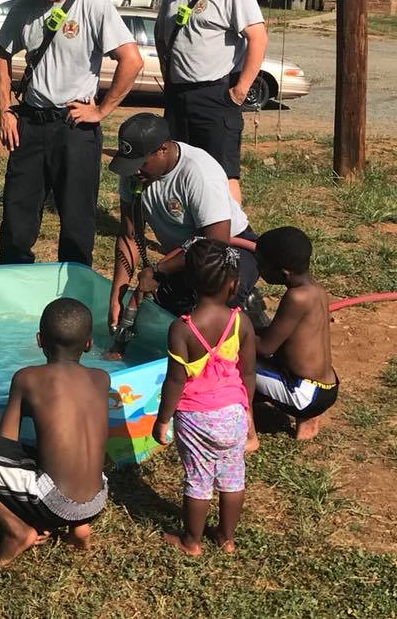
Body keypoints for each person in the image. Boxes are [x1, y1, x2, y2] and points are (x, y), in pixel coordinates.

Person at [0, 0, 143, 266]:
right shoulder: (26, 3)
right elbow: (2, 53)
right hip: (29, 125)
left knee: (77, 218)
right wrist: (5, 110)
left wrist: (101, 110)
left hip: (74, 128)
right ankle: (12, 279)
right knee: (17, 213)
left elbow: (131, 60)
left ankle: (73, 297)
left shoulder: (93, 5)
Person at [0, 298, 109, 567]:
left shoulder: (27, 378)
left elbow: (7, 442)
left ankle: (16, 530)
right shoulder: (101, 378)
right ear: (88, 343)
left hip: (53, 501)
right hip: (97, 498)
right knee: (61, 455)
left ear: (39, 340)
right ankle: (79, 525)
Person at [106, 113, 261, 358]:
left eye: (141, 163)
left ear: (163, 149)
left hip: (230, 250)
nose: (134, 171)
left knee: (205, 313)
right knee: (167, 313)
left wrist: (159, 271)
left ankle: (247, 315)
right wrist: (117, 296)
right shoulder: (135, 172)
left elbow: (216, 245)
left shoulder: (198, 172)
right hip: (182, 257)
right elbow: (128, 235)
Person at [153, 239, 257, 555]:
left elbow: (175, 380)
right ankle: (226, 538)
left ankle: (191, 541)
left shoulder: (182, 329)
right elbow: (248, 373)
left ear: (190, 282)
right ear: (234, 284)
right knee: (232, 477)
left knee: (198, 479)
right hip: (234, 414)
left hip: (195, 416)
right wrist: (247, 410)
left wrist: (162, 419)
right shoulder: (241, 321)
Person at [155, 0, 268, 204]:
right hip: (178, 95)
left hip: (216, 95)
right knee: (180, 167)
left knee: (222, 172)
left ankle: (230, 238)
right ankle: (192, 235)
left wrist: (240, 90)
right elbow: (161, 34)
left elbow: (258, 37)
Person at [254, 226, 338, 440]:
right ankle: (308, 422)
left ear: (283, 274)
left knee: (235, 363)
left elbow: (265, 347)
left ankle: (247, 434)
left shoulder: (296, 298)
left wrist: (236, 332)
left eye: (261, 265)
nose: (258, 269)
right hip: (327, 387)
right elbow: (285, 336)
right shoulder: (317, 290)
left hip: (304, 394)